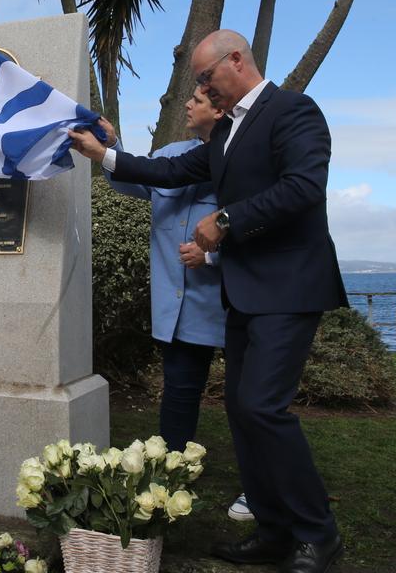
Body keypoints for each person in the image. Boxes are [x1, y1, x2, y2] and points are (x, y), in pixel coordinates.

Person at [70, 29, 347, 573]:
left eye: (204, 77)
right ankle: (272, 532)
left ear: (236, 61)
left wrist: (225, 219)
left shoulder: (294, 111)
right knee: (245, 413)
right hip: (245, 294)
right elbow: (169, 171)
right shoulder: (223, 138)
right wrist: (105, 156)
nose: (201, 88)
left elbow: (304, 187)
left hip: (289, 287)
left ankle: (319, 535)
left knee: (264, 407)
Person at [100, 90, 253, 521]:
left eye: (199, 98)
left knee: (248, 403)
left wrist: (212, 257)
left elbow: (260, 222)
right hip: (179, 309)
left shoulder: (243, 161)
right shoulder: (171, 153)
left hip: (229, 302)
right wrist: (111, 148)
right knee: (180, 396)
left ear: (221, 110)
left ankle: (258, 487)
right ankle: (169, 476)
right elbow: (131, 181)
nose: (188, 104)